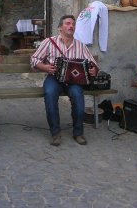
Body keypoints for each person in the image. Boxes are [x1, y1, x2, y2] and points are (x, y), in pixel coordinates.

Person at [30, 15, 99, 146]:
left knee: (78, 95)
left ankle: (78, 133)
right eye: (67, 23)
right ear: (60, 28)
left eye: (73, 24)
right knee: (49, 93)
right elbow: (34, 59)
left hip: (73, 80)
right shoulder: (49, 42)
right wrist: (44, 67)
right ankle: (55, 133)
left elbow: (93, 63)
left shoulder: (80, 45)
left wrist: (93, 70)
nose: (71, 26)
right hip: (54, 77)